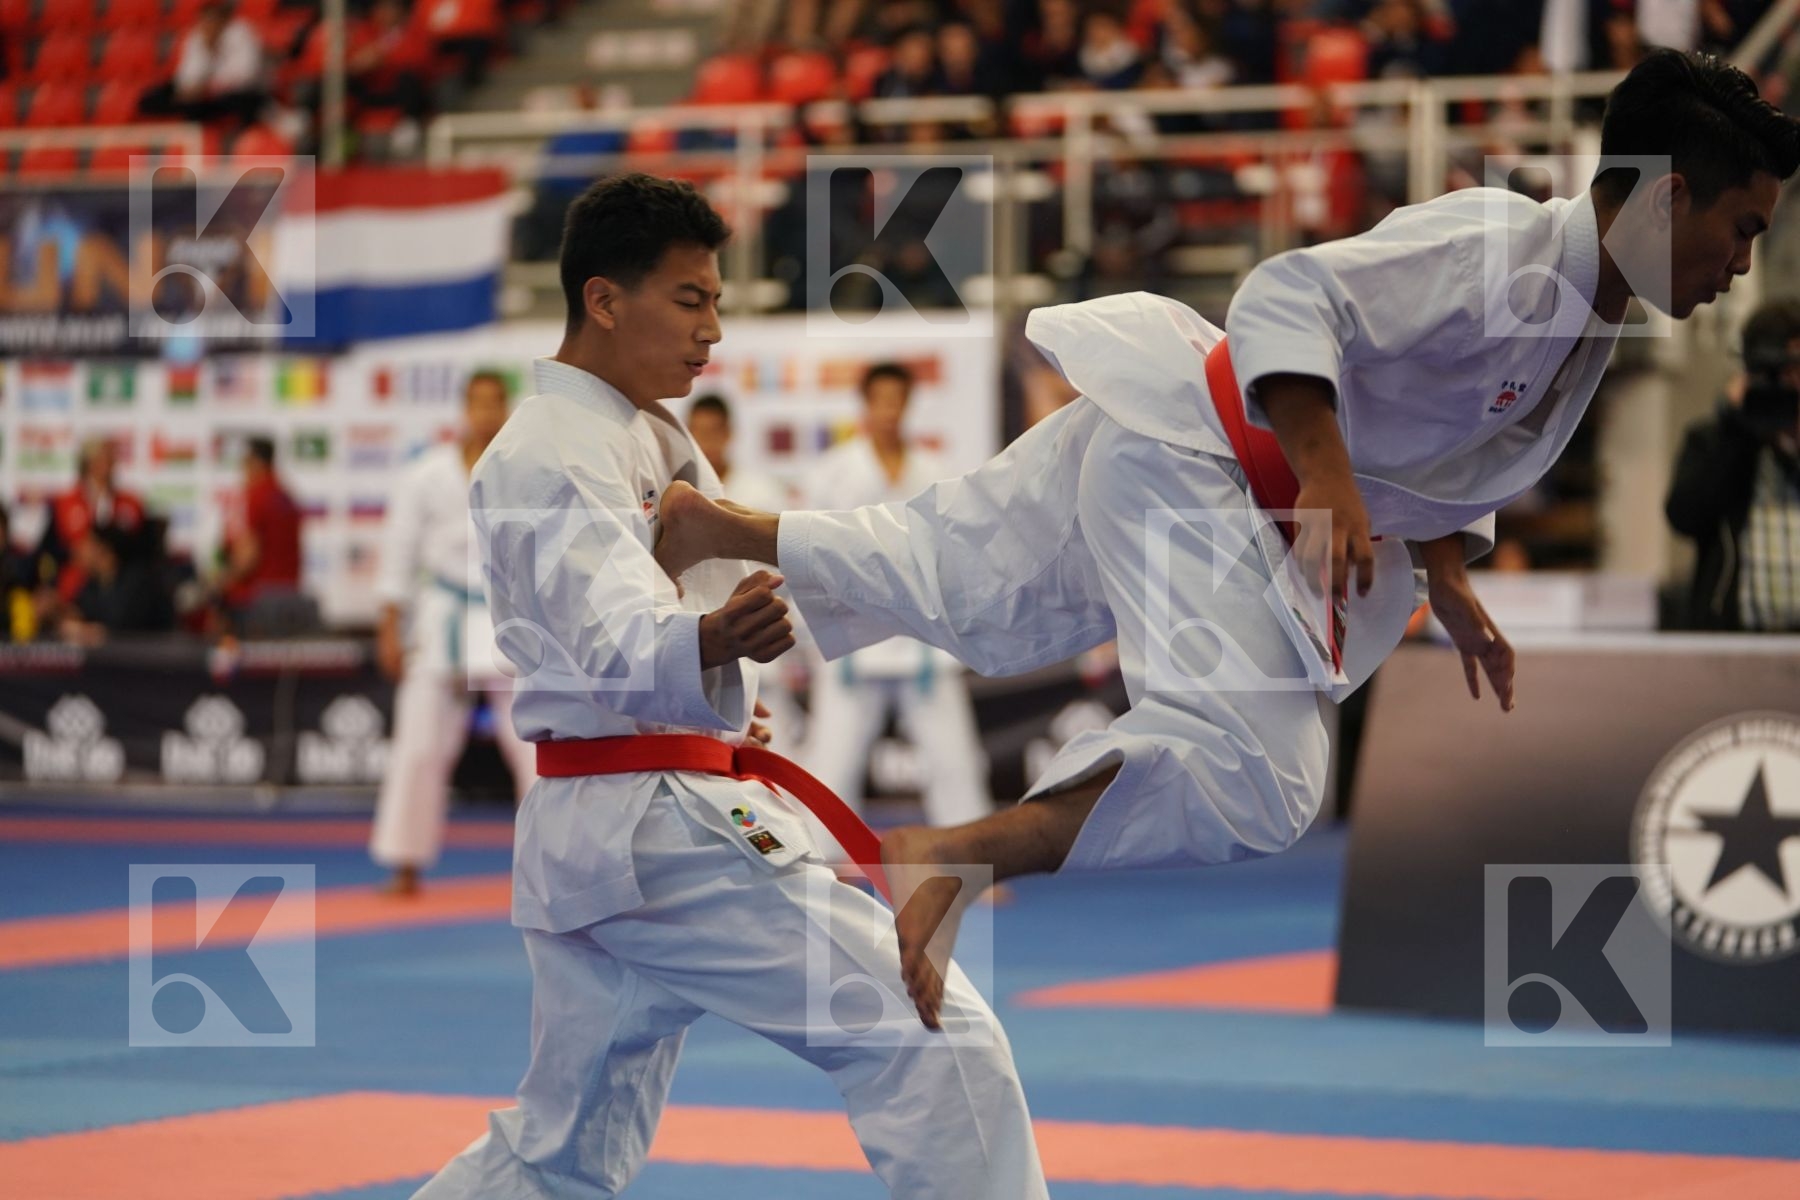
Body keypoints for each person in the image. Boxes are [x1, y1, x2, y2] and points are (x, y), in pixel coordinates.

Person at [654, 49, 1800, 1025]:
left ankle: (717, 521)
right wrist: (1328, 473)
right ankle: (950, 856)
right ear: (1664, 197)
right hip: (1203, 457)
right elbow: (1288, 300)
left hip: (1172, 432)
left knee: (965, 579)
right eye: (1740, 229)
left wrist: (1446, 569)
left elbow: (1444, 443)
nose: (1742, 264)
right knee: (1260, 777)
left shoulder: (1587, 309)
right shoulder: (1504, 248)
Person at [414, 173, 1045, 1200]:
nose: (713, 330)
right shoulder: (554, 448)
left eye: (718, 302)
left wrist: (714, 679)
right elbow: (612, 631)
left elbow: (648, 621)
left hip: (622, 824)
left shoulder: (648, 435)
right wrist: (705, 642)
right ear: (605, 300)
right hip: (650, 828)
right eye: (691, 300)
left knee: (559, 1151)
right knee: (937, 1040)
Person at [798, 362, 994, 832]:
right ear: (864, 404)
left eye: (897, 399)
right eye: (880, 399)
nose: (889, 409)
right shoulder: (832, 472)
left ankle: (968, 851)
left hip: (919, 635)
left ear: (908, 404)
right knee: (831, 757)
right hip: (852, 638)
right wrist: (811, 632)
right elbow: (806, 551)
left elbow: (951, 550)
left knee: (954, 756)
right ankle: (822, 864)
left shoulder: (933, 470)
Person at [370, 372, 539, 897]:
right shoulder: (426, 475)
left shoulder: (526, 473)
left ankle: (547, 867)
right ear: (464, 408)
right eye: (478, 404)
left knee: (533, 749)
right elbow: (399, 551)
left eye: (496, 404)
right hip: (443, 614)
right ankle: (405, 861)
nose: (487, 414)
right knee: (420, 745)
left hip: (507, 617)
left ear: (507, 409)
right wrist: (390, 625)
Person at [1666, 297, 1800, 630]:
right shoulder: (1715, 439)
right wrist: (1735, 426)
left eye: (1794, 368)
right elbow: (1684, 515)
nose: (1785, 382)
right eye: (1771, 371)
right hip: (1736, 643)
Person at [37, 437, 147, 613]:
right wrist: (73, 552)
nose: (106, 465)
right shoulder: (65, 503)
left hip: (117, 586)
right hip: (73, 585)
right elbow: (46, 550)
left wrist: (107, 554)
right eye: (100, 459)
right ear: (87, 463)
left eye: (110, 459)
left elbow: (142, 550)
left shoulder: (130, 504)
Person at [217, 436, 310, 636]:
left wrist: (221, 582)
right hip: (287, 601)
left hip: (253, 603)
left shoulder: (254, 496)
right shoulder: (287, 496)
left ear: (256, 462)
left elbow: (248, 556)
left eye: (245, 462)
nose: (242, 469)